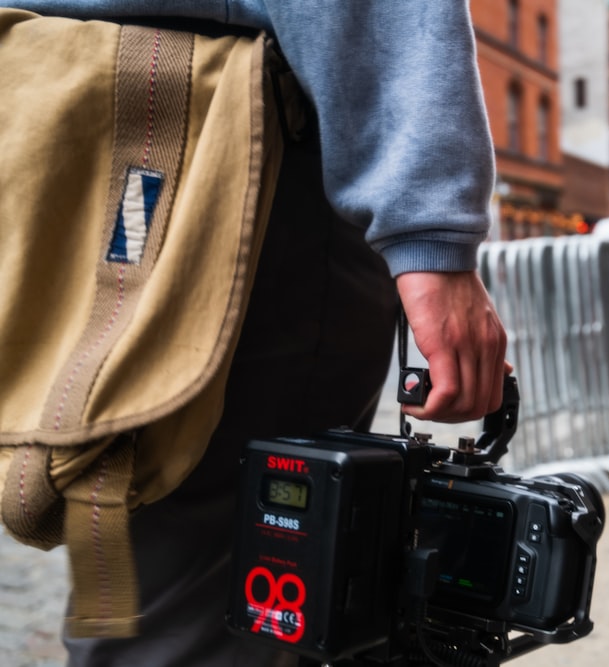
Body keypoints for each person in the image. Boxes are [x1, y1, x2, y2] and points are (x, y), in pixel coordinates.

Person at [0, 2, 509, 666]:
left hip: (56, 124)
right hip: (230, 156)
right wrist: (431, 233)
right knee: (209, 616)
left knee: (170, 595)